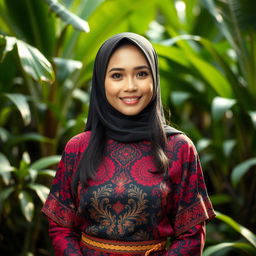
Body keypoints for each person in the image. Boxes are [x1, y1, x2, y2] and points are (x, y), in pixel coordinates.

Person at [42, 32, 215, 256]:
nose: (130, 86)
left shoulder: (179, 148)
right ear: (100, 81)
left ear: (154, 78)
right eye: (117, 76)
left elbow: (191, 236)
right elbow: (61, 227)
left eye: (141, 74)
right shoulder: (78, 148)